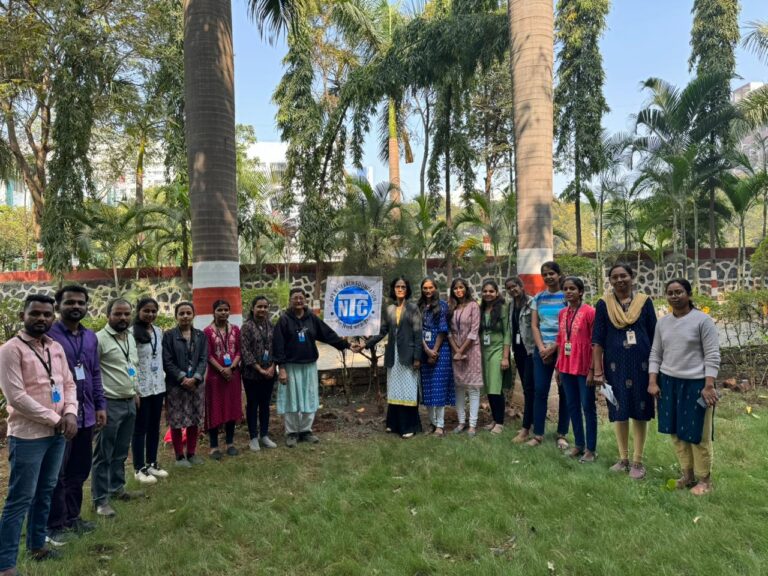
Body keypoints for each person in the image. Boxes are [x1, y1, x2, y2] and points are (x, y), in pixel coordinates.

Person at [0, 295, 78, 573]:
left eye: (47, 314)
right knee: (20, 498)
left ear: (53, 317)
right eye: (35, 313)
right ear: (22, 316)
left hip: (57, 434)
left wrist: (71, 413)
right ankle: (6, 564)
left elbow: (68, 383)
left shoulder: (55, 347)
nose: (42, 318)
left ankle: (37, 546)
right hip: (28, 437)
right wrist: (57, 419)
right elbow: (17, 397)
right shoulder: (10, 350)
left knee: (46, 490)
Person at [648, 279, 720, 496]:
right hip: (668, 383)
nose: (674, 296)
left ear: (689, 294)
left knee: (697, 434)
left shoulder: (702, 321)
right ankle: (687, 475)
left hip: (697, 384)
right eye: (670, 293)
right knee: (676, 432)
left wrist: (709, 385)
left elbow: (712, 355)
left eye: (679, 292)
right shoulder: (663, 323)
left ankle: (704, 479)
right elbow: (656, 353)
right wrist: (653, 381)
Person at [46, 285, 105, 546]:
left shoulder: (90, 337)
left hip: (87, 415)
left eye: (81, 302)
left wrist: (100, 405)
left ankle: (73, 517)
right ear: (58, 306)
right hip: (60, 416)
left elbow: (94, 372)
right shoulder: (48, 335)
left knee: (79, 470)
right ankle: (54, 524)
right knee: (56, 474)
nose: (76, 306)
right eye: (70, 302)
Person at [592, 263, 657, 479]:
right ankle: (623, 458)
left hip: (642, 366)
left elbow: (655, 335)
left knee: (640, 411)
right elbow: (598, 339)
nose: (619, 280)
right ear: (610, 280)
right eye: (615, 277)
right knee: (619, 410)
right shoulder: (604, 304)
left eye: (623, 276)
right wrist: (598, 371)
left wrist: (656, 369)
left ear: (632, 277)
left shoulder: (644, 302)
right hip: (615, 367)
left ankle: (638, 461)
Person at [273, 288, 351, 447]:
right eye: (295, 298)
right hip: (291, 366)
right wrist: (282, 368)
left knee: (309, 397)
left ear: (305, 300)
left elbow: (327, 334)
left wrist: (345, 344)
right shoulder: (284, 320)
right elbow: (278, 345)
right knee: (292, 399)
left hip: (309, 365)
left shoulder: (312, 318)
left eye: (301, 298)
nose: (298, 301)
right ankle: (292, 432)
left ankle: (306, 431)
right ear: (290, 300)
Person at [92, 298, 143, 518]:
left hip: (129, 401)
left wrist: (136, 392)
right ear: (108, 315)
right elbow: (93, 373)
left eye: (126, 314)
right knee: (104, 453)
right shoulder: (98, 339)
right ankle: (100, 499)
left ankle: (117, 488)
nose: (123, 318)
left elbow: (131, 367)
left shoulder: (129, 337)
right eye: (118, 314)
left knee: (121, 451)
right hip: (109, 404)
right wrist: (98, 405)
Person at [361, 277, 422, 439]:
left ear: (407, 289)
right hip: (393, 356)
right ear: (393, 289)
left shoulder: (413, 308)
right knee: (395, 389)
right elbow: (382, 331)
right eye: (397, 286)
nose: (400, 289)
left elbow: (418, 334)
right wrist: (365, 344)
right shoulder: (389, 309)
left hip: (408, 355)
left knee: (408, 390)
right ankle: (393, 424)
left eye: (403, 286)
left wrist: (417, 357)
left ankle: (409, 426)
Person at [527, 261, 570, 449]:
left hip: (563, 350)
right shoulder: (538, 298)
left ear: (559, 274)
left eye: (551, 273)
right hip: (542, 350)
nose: (548, 277)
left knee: (564, 391)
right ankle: (538, 434)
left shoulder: (567, 297)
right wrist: (542, 348)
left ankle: (562, 434)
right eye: (544, 274)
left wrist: (554, 347)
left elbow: (570, 325)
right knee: (540, 390)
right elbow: (534, 325)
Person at [555, 277, 597, 462]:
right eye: (565, 289)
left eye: (572, 288)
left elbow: (596, 343)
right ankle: (579, 444)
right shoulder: (562, 313)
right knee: (572, 405)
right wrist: (558, 367)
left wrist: (593, 370)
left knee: (588, 407)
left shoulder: (590, 312)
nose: (568, 291)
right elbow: (560, 340)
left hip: (584, 366)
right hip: (566, 366)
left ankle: (591, 449)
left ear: (580, 291)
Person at [162, 302, 208, 467]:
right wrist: (182, 378)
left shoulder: (201, 336)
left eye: (188, 313)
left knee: (194, 418)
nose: (185, 316)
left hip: (196, 385)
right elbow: (167, 361)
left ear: (193, 315)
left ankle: (192, 453)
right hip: (176, 385)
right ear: (176, 316)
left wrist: (195, 378)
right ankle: (179, 456)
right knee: (176, 420)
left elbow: (203, 359)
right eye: (181, 313)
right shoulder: (169, 336)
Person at [130, 297, 168, 485]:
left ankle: (152, 462)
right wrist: (134, 389)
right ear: (138, 311)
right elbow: (130, 363)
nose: (150, 314)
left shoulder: (158, 331)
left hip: (158, 387)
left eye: (153, 311)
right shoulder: (131, 333)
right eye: (146, 311)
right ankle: (139, 468)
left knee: (154, 427)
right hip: (142, 389)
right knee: (140, 429)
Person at [204, 300, 243, 460]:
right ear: (213, 312)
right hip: (215, 377)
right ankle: (214, 446)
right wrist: (221, 369)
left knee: (232, 407)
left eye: (226, 310)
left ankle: (230, 443)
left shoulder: (235, 329)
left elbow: (240, 351)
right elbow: (208, 354)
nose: (223, 313)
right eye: (220, 310)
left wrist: (231, 368)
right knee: (215, 408)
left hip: (233, 376)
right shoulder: (207, 331)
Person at [240, 296, 278, 451]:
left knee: (265, 404)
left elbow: (277, 347)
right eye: (259, 306)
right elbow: (245, 351)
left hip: (269, 372)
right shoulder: (247, 327)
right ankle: (253, 437)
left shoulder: (271, 325)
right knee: (252, 404)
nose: (262, 309)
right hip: (252, 374)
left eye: (265, 307)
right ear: (252, 308)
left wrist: (273, 366)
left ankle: (264, 435)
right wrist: (260, 369)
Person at [417, 278, 454, 437]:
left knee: (439, 387)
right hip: (424, 349)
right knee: (428, 388)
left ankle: (440, 425)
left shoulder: (443, 306)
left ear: (436, 288)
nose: (428, 290)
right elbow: (417, 330)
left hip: (441, 351)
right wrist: (426, 350)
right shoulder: (418, 307)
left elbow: (443, 330)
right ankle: (432, 423)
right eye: (425, 288)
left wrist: (434, 351)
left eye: (430, 287)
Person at [447, 278, 483, 437]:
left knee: (473, 388)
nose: (458, 290)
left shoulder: (473, 306)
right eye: (455, 288)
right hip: (455, 352)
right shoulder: (451, 307)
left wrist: (462, 350)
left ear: (466, 289)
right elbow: (448, 331)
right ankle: (461, 422)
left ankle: (472, 425)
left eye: (461, 287)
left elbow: (474, 331)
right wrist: (456, 350)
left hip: (471, 351)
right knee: (459, 387)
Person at [505, 277, 535, 444]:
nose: (512, 290)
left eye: (514, 286)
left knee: (530, 389)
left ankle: (526, 428)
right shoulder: (511, 306)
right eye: (509, 288)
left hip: (530, 351)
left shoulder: (531, 303)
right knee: (527, 389)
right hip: (518, 352)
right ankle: (532, 424)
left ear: (521, 286)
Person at [479, 280, 512, 435]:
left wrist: (505, 357)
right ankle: (494, 419)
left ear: (497, 293)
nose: (488, 294)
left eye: (491, 291)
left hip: (498, 351)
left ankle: (500, 422)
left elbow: (507, 333)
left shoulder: (503, 309)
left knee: (496, 386)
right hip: (483, 352)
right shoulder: (481, 309)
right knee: (489, 387)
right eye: (485, 291)